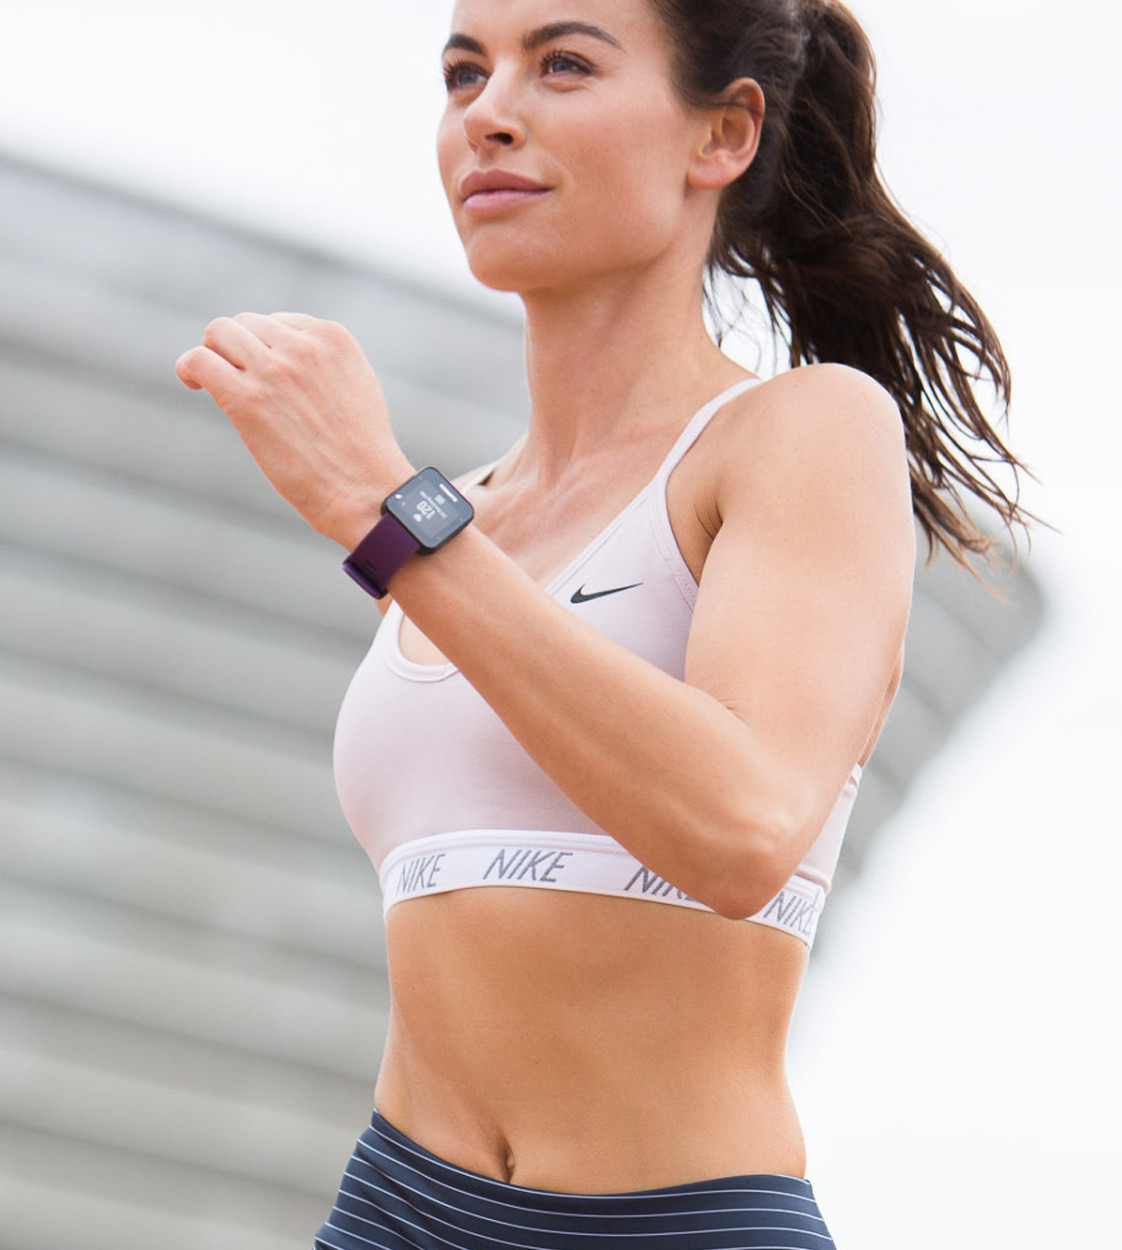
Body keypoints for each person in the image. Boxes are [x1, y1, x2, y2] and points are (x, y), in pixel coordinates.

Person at [176, 0, 1029, 1245]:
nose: (491, 112)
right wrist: (408, 522)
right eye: (465, 73)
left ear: (723, 134)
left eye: (563, 64)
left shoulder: (803, 433)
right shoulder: (456, 517)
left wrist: (382, 512)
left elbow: (741, 829)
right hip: (396, 1208)